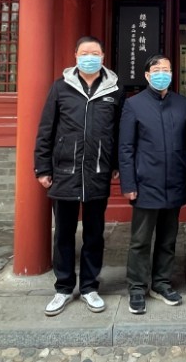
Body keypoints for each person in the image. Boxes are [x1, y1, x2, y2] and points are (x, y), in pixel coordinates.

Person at [34, 36, 124, 317]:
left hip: (97, 171)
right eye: (85, 53)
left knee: (95, 234)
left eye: (95, 53)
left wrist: (118, 163)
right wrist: (42, 167)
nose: (90, 57)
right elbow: (46, 128)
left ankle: (89, 287)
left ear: (103, 55)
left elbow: (119, 131)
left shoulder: (115, 90)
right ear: (75, 55)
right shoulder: (61, 88)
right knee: (63, 233)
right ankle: (63, 287)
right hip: (64, 171)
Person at [118, 54, 186, 315]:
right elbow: (126, 147)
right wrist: (128, 182)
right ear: (148, 76)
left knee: (168, 238)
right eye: (157, 70)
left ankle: (161, 283)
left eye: (167, 69)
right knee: (140, 240)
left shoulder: (182, 104)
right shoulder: (134, 105)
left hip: (174, 181)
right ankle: (137, 287)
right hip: (145, 182)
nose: (163, 73)